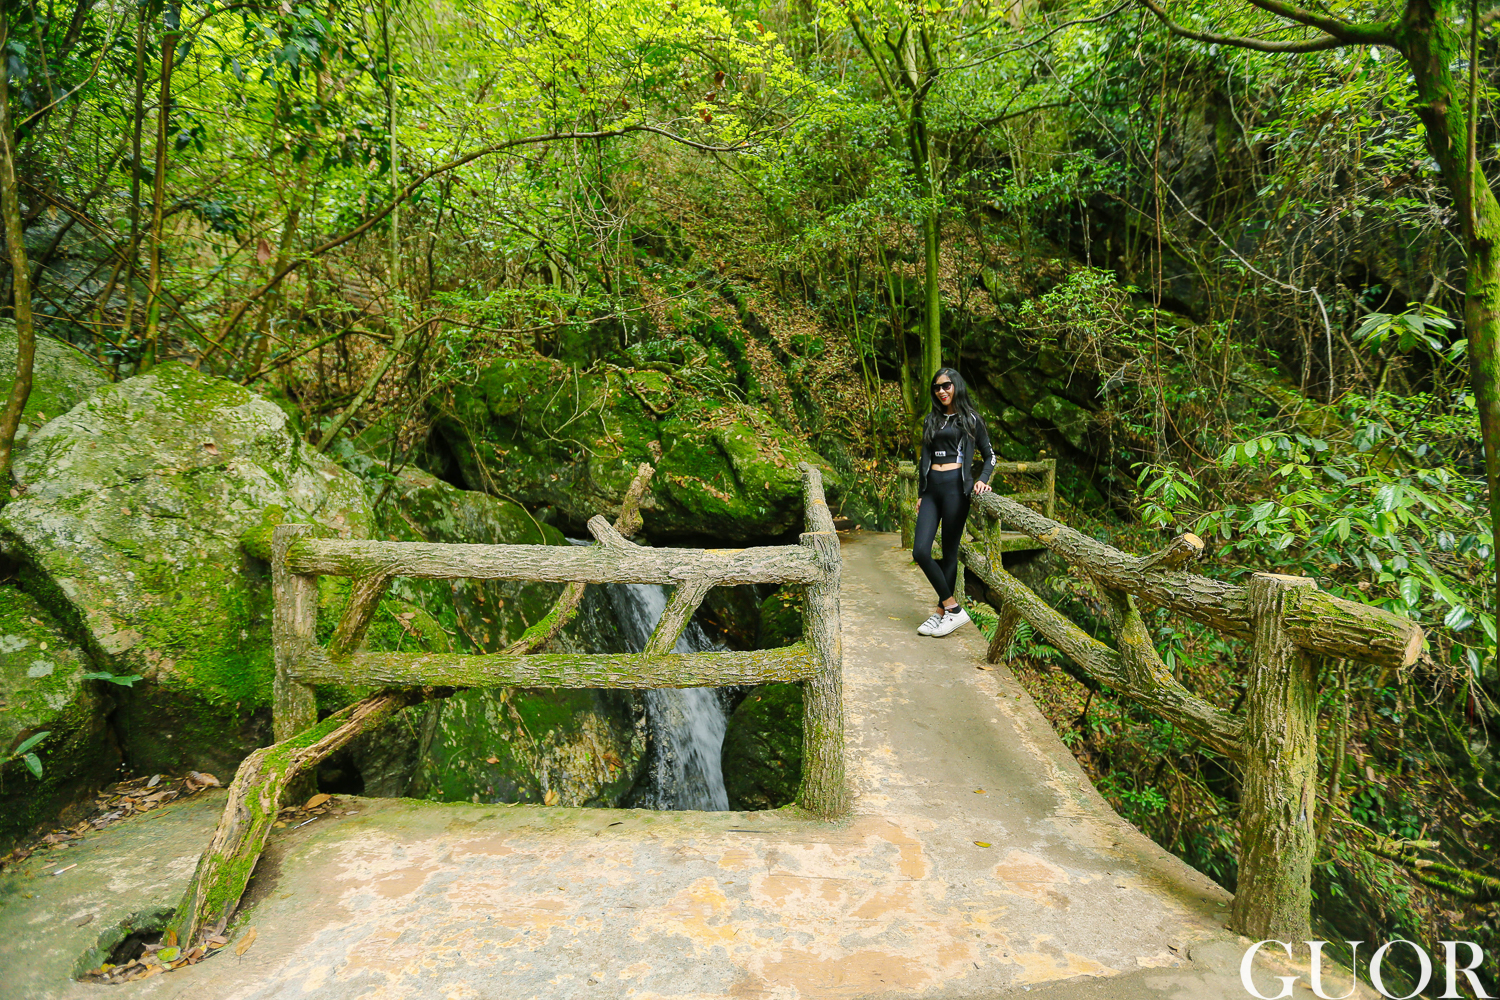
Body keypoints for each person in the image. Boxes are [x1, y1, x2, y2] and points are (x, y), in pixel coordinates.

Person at [913, 367, 994, 637]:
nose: (942, 391)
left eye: (946, 385)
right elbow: (924, 459)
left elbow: (990, 455)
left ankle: (940, 614)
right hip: (932, 491)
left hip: (955, 491)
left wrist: (982, 478)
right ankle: (954, 609)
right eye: (937, 387)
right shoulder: (931, 420)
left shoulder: (971, 419)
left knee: (949, 553)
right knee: (921, 551)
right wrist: (921, 493)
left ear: (956, 386)